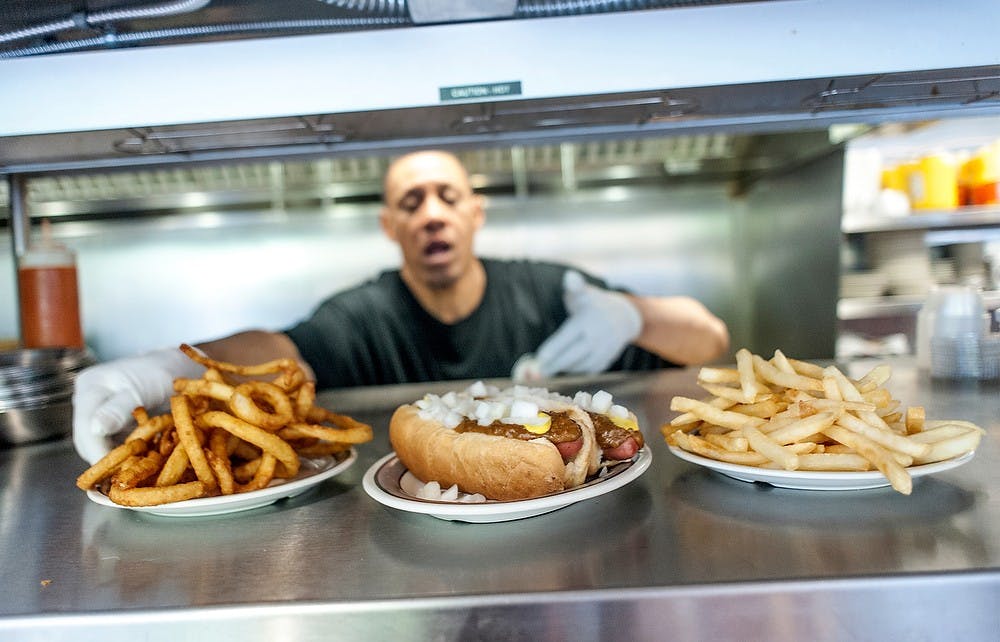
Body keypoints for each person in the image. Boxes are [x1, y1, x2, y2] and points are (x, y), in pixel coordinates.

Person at [72, 149, 729, 463]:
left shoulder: (550, 287)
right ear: (390, 227)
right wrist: (168, 365)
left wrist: (634, 314)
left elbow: (709, 341)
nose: (432, 216)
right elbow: (279, 350)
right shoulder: (365, 313)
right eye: (411, 204)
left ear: (476, 212)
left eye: (448, 196)